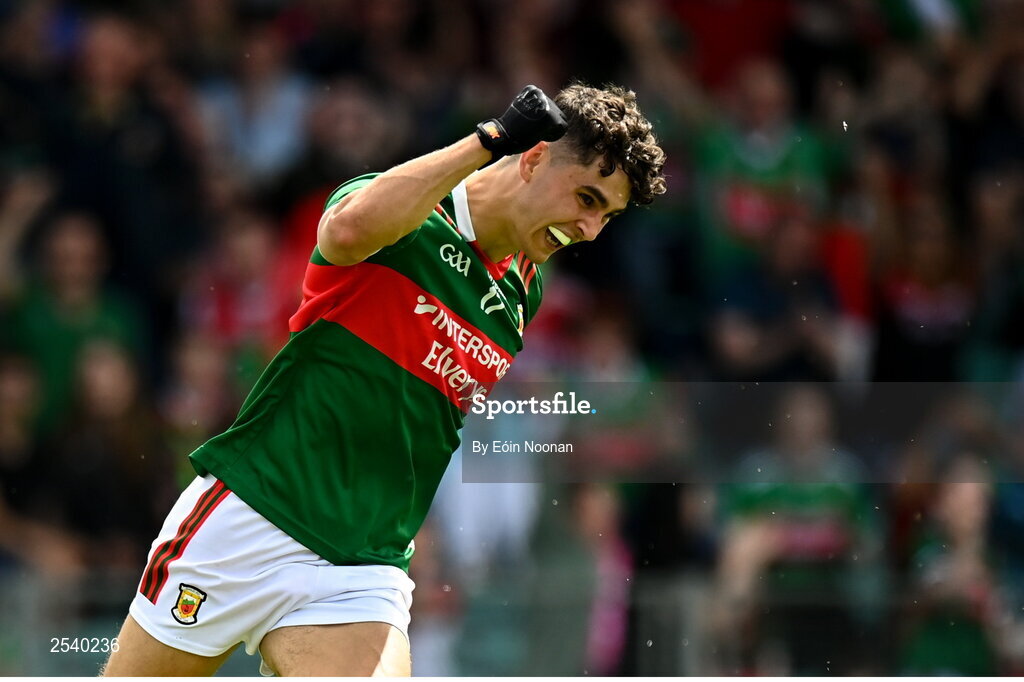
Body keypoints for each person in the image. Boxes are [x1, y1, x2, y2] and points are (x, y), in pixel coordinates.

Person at [102, 83, 666, 676]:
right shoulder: (410, 214)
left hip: (362, 565)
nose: (591, 229)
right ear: (530, 159)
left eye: (607, 214)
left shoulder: (525, 289)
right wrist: (488, 139)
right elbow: (344, 233)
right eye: (586, 198)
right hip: (254, 515)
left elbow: (423, 426)